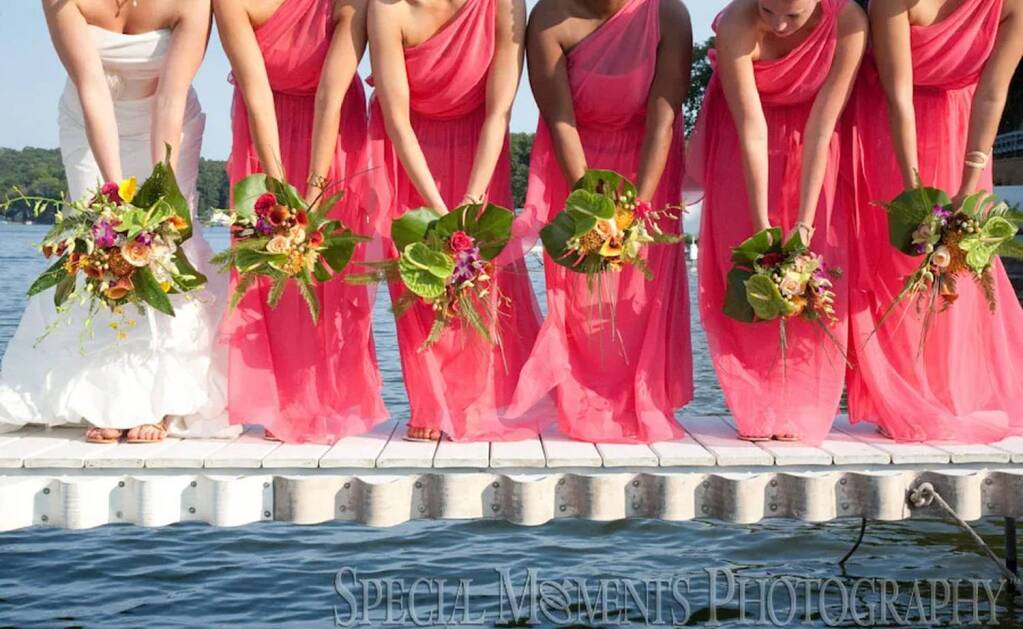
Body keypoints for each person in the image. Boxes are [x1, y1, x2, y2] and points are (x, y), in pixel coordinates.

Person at [0, 0, 232, 444]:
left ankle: (164, 400)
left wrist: (159, 189)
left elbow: (171, 96)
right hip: (89, 120)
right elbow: (92, 87)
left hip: (168, 121)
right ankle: (104, 398)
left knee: (167, 244)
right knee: (98, 245)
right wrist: (114, 196)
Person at [505, 0, 694, 444]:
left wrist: (636, 211)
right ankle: (582, 403)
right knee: (579, 289)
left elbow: (663, 120)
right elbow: (560, 119)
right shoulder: (548, 17)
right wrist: (592, 205)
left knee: (641, 290)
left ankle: (644, 401)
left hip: (649, 160)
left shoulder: (669, 14)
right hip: (574, 162)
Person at [367, 0, 544, 442]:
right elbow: (396, 120)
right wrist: (439, 211)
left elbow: (499, 111)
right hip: (407, 154)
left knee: (479, 277)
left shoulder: (504, 5)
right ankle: (428, 405)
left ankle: (478, 403)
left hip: (479, 149)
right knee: (418, 275)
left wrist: (469, 204)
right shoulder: (387, 9)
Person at [846, 0, 1023, 442]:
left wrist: (969, 183)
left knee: (960, 259)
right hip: (889, 127)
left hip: (965, 127)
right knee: (897, 258)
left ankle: (949, 392)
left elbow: (992, 92)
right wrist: (916, 195)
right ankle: (900, 397)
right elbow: (898, 95)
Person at [694, 0, 867, 443]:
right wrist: (761, 228)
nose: (780, 26)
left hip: (816, 146)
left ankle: (802, 410)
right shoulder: (736, 23)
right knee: (748, 272)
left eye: (793, 16)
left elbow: (822, 126)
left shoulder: (849, 21)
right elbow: (751, 128)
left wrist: (804, 224)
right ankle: (753, 406)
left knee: (815, 275)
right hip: (744, 148)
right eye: (769, 11)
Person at [217, 0, 388, 443]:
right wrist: (278, 193)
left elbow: (331, 97)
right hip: (262, 129)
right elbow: (255, 93)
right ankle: (276, 403)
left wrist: (312, 192)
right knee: (265, 263)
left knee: (329, 266)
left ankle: (329, 399)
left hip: (334, 133)